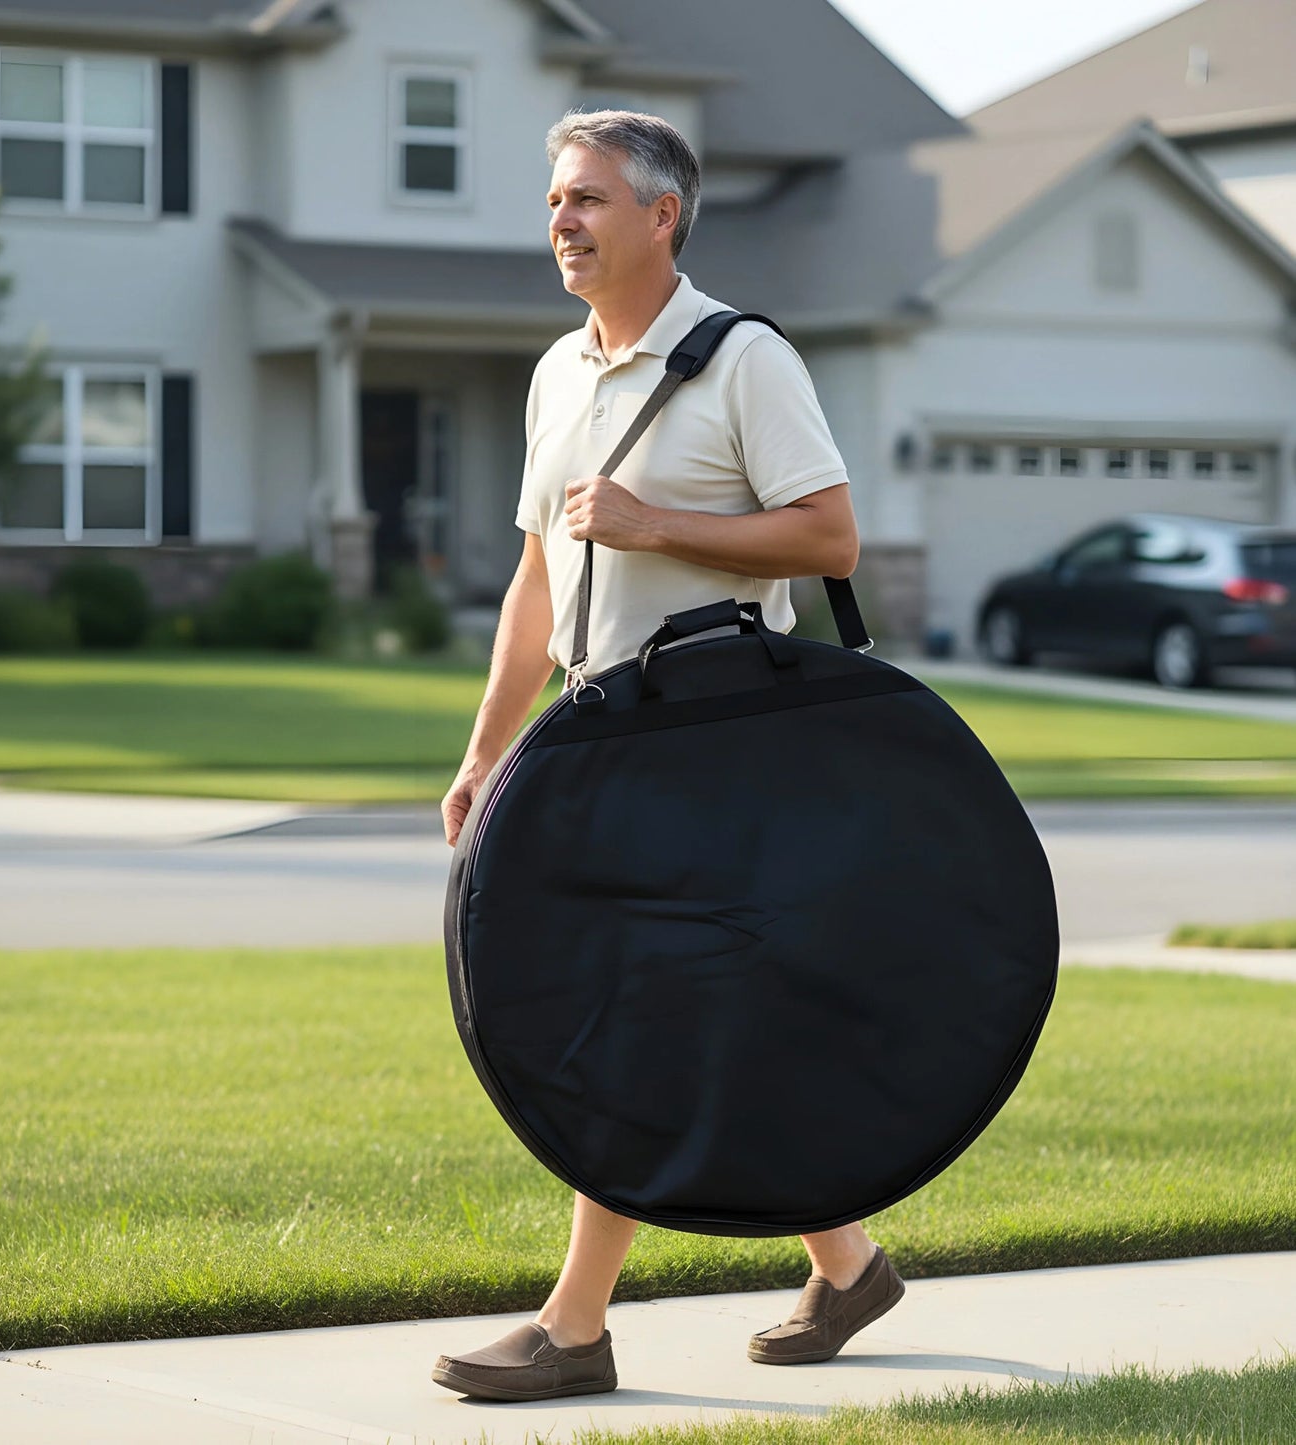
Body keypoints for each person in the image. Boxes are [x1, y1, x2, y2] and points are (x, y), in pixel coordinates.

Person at [432, 109, 904, 1404]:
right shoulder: (556, 374)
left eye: (587, 198)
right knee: (715, 1018)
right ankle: (849, 1263)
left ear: (661, 215)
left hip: (718, 748)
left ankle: (574, 1327)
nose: (562, 221)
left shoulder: (745, 358)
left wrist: (655, 524)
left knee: (635, 1022)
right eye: (554, 200)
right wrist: (485, 751)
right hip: (598, 746)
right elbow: (538, 581)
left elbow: (830, 539)